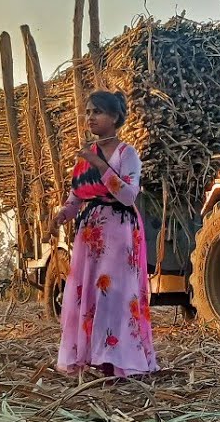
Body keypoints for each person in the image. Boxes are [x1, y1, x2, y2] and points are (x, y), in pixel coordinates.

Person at [46, 91, 159, 378]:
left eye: (97, 112)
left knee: (115, 294)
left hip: (119, 231)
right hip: (90, 234)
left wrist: (100, 165)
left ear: (114, 117)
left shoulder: (126, 154)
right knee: (88, 294)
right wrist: (62, 215)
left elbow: (128, 195)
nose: (90, 117)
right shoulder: (85, 156)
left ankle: (116, 360)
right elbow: (76, 198)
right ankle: (92, 356)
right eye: (88, 112)